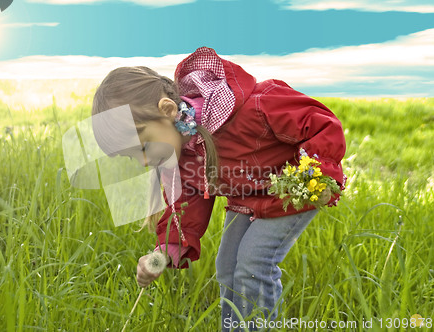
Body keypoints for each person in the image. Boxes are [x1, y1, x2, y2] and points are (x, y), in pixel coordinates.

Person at [91, 47, 346, 331]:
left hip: (291, 193)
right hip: (247, 200)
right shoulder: (181, 154)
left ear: (167, 110)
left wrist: (320, 173)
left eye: (142, 147)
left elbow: (320, 122)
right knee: (226, 265)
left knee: (254, 262)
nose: (143, 161)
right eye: (133, 156)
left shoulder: (255, 109)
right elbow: (186, 208)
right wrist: (163, 252)